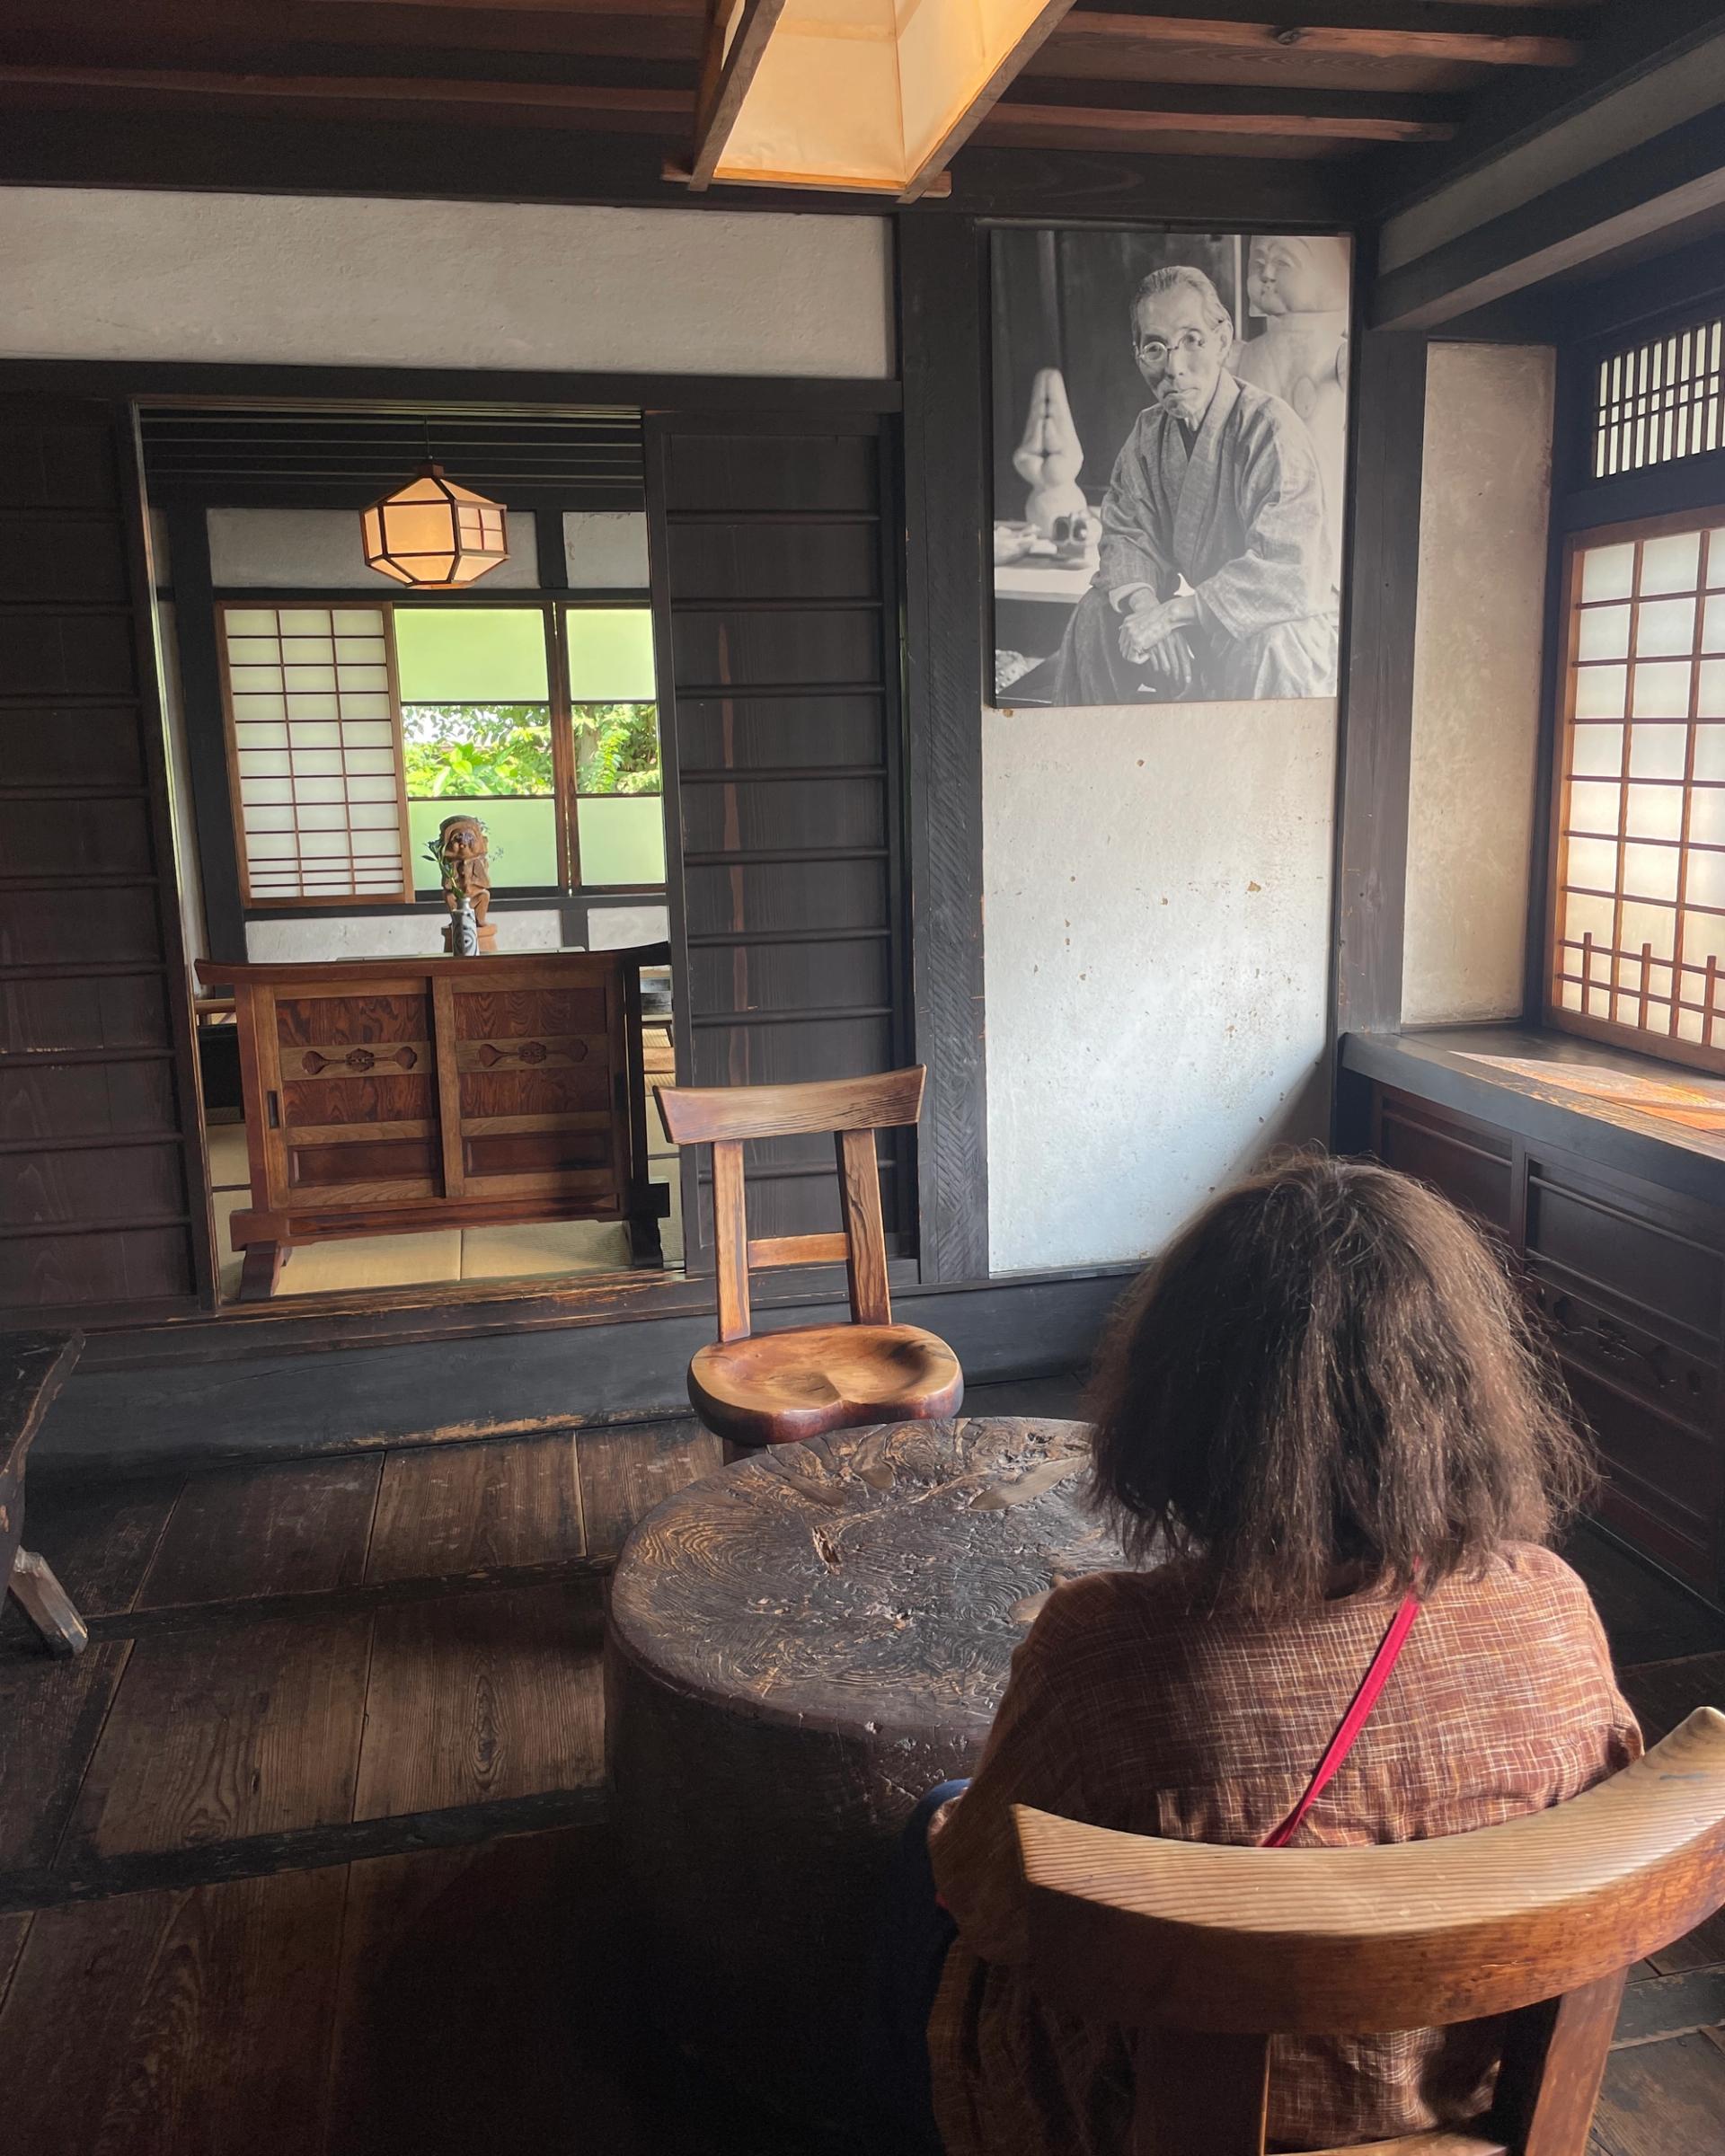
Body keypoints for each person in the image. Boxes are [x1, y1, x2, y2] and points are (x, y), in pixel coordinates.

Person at [901, 1155, 1641, 2156]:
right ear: (1465, 1395)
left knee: (930, 1829)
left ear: (1180, 1407)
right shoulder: (1552, 1611)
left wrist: (948, 1830)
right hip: (1457, 2112)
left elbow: (992, 1912)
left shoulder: (1104, 1656)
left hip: (1158, 2123)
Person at [1014, 264, 1338, 705]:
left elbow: (1288, 568)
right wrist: (1147, 609)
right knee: (1095, 615)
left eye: (1192, 340)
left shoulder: (1270, 429)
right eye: (1155, 348)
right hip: (1203, 622)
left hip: (1279, 621)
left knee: (1275, 646)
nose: (1174, 367)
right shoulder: (1149, 434)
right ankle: (1091, 746)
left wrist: (1173, 616)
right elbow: (1127, 536)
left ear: (1223, 340)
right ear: (1138, 357)